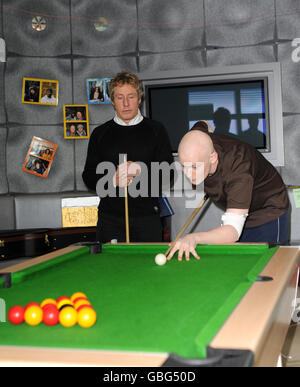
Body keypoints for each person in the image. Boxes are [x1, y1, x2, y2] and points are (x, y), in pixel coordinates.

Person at [167, 120, 289, 261]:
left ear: (213, 157)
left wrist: (194, 238)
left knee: (270, 267)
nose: (188, 174)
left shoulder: (238, 171)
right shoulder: (197, 138)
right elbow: (203, 123)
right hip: (239, 209)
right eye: (183, 166)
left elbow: (232, 231)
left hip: (268, 210)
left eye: (194, 167)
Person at [82, 71, 173, 243]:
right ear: (112, 100)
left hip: (147, 218)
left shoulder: (156, 130)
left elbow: (168, 174)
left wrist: (140, 170)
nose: (125, 103)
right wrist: (113, 180)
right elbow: (88, 176)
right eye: (119, 97)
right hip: (110, 219)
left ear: (139, 98)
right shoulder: (100, 134)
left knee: (148, 269)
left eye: (131, 96)